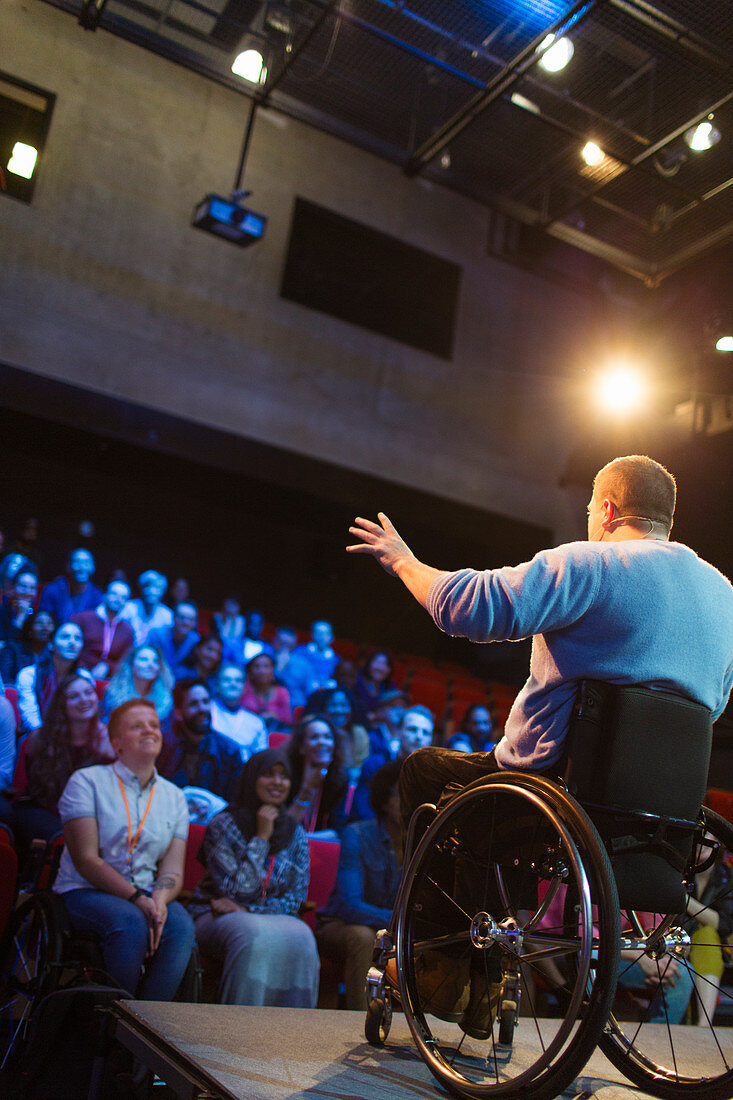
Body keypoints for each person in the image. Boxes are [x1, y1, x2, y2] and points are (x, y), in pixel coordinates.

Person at [346, 455, 733, 833]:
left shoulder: (592, 563)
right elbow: (713, 706)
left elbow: (473, 609)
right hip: (663, 805)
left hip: (556, 786)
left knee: (422, 768)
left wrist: (403, 562)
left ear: (607, 510)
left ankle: (450, 897)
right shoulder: (723, 594)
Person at [52, 698, 195, 999]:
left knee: (180, 926)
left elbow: (172, 869)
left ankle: (148, 1024)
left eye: (154, 725)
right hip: (84, 890)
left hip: (144, 891)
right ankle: (112, 1022)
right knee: (130, 922)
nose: (149, 730)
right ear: (116, 743)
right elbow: (86, 860)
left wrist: (158, 901)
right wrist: (136, 899)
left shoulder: (175, 797)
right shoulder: (87, 781)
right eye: (137, 726)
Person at [189, 747, 319, 1007]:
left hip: (258, 914)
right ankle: (239, 1027)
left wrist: (248, 908)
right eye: (268, 775)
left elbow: (295, 899)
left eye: (284, 777)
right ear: (252, 778)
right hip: (213, 913)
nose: (277, 783)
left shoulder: (295, 833)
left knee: (303, 935)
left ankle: (293, 1031)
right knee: (249, 933)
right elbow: (233, 892)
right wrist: (261, 837)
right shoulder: (224, 824)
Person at [317, 761, 403, 1009]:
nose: (409, 803)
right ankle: (361, 1022)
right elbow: (349, 905)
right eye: (401, 795)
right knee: (364, 937)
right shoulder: (357, 834)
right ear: (384, 801)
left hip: (393, 932)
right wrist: (399, 924)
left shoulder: (419, 843)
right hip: (340, 925)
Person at [0, 670, 115, 847]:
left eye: (89, 693)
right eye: (74, 696)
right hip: (41, 808)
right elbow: (35, 792)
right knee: (64, 833)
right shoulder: (41, 738)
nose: (84, 700)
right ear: (62, 704)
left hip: (89, 812)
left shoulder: (109, 738)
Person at [158, 678, 244, 801]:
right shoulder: (163, 745)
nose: (202, 709)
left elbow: (235, 801)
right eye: (193, 704)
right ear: (178, 713)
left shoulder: (229, 750)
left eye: (206, 701)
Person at [351, 706, 434, 822]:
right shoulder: (375, 765)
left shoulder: (431, 776)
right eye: (412, 729)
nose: (419, 737)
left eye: (425, 733)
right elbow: (362, 811)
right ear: (398, 732)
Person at [287, 714, 350, 835]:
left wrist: (306, 840)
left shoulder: (340, 777)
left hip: (321, 846)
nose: (322, 742)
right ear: (301, 747)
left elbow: (338, 830)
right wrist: (306, 791)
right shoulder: (287, 774)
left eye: (327, 737)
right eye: (314, 737)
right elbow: (284, 828)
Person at [16, 620, 84, 732]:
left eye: (78, 638)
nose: (72, 643)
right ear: (51, 644)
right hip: (38, 737)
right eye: (65, 637)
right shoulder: (29, 675)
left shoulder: (84, 677)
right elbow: (31, 719)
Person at [72, 579, 135, 679]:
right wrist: (81, 669)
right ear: (105, 595)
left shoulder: (127, 630)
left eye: (123, 597)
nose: (118, 599)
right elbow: (71, 648)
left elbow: (125, 662)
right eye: (114, 594)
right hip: (77, 673)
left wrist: (108, 667)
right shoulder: (82, 619)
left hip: (110, 680)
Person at [306, 686, 370, 775]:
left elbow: (358, 767)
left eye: (344, 705)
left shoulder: (358, 733)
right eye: (333, 705)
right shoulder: (313, 728)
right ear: (324, 707)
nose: (339, 710)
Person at [103, 643, 174, 722]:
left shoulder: (165, 699)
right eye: (144, 659)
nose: (151, 665)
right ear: (131, 664)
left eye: (155, 661)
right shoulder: (114, 693)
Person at [210, 664, 268, 760]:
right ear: (217, 685)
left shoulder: (256, 722)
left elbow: (261, 762)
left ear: (245, 687)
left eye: (238, 680)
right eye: (227, 680)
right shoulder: (205, 712)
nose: (233, 684)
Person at [282, 621, 339, 708]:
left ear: (331, 637)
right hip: (299, 697)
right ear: (312, 635)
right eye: (318, 633)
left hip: (323, 698)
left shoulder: (336, 659)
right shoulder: (299, 652)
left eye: (325, 634)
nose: (321, 637)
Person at [39, 549, 103, 624]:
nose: (81, 567)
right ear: (68, 566)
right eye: (77, 562)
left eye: (86, 562)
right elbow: (43, 619)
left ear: (93, 568)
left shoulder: (96, 595)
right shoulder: (53, 590)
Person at [0, 608, 55, 686]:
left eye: (49, 623)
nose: (45, 627)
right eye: (39, 623)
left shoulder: (52, 655)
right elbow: (6, 680)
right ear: (29, 629)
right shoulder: (13, 649)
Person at [148, 601, 200, 680]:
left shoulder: (195, 640)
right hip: (155, 677)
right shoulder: (157, 634)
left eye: (191, 619)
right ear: (173, 617)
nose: (186, 622)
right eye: (182, 617)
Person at [121, 570, 173, 645]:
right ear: (141, 588)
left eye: (157, 587)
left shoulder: (167, 615)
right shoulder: (129, 607)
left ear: (163, 591)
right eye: (148, 586)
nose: (152, 591)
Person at [242, 653, 292, 730]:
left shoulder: (282, 692)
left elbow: (288, 721)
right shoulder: (244, 690)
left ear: (272, 670)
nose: (262, 671)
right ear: (250, 671)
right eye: (257, 667)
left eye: (266, 666)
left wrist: (274, 716)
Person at [354, 651, 399, 719]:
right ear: (369, 664)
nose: (380, 668)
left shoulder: (390, 688)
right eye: (377, 662)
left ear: (389, 670)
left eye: (385, 664)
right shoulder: (357, 680)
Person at [0, 564, 38, 644]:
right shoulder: (2, 612)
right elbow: (7, 646)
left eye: (32, 588)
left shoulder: (35, 616)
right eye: (23, 586)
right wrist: (21, 616)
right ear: (13, 588)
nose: (27, 592)